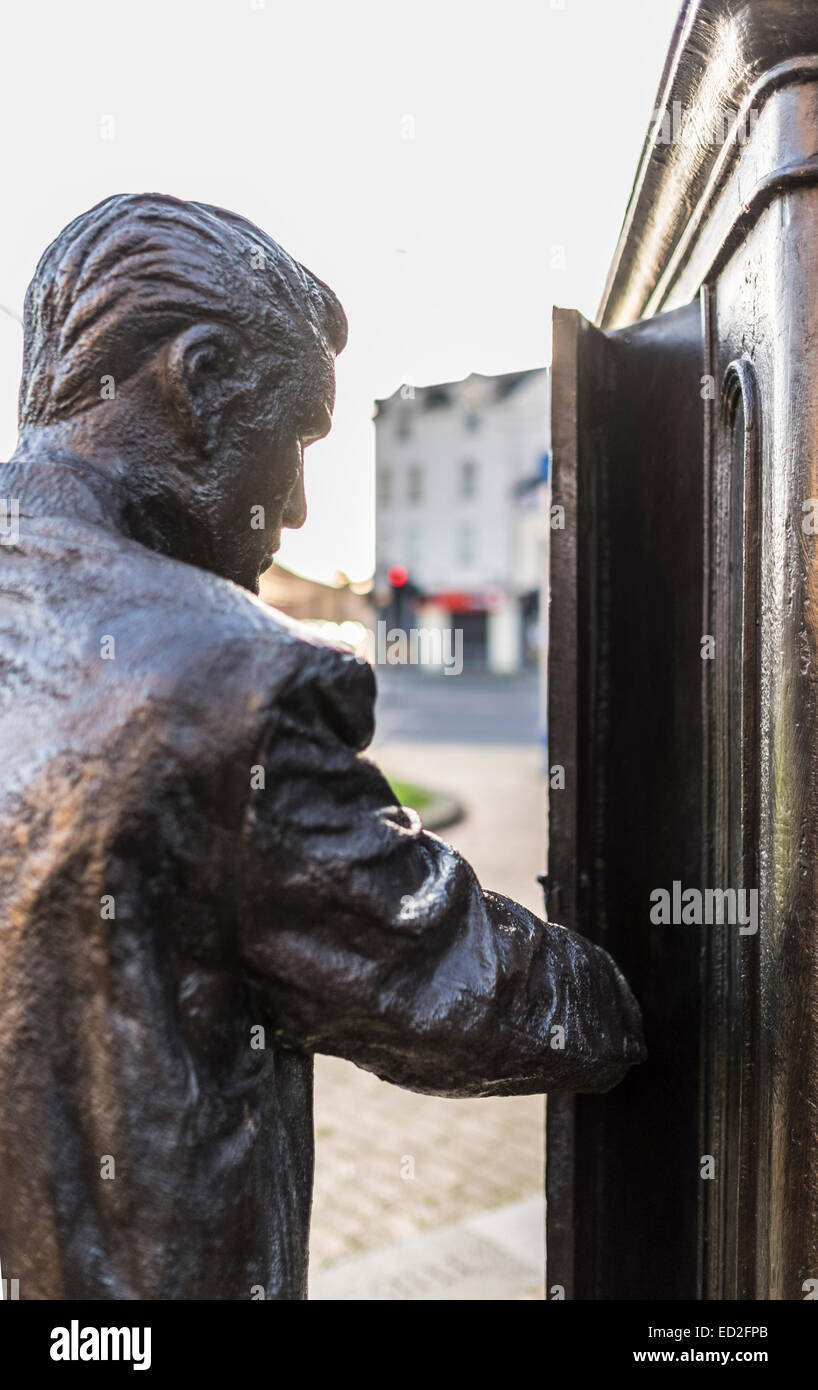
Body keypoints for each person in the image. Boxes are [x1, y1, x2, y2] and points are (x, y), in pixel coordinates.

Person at [0, 194, 644, 1300]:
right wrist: (666, 995)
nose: (295, 505)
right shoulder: (228, 680)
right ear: (195, 382)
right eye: (296, 440)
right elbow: (458, 985)